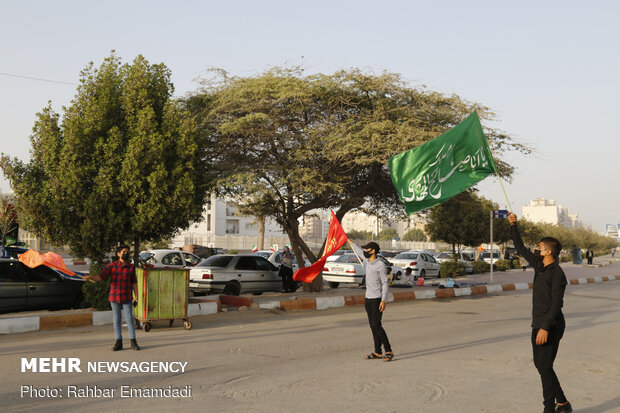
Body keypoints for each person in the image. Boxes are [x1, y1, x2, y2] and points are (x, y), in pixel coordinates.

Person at [508, 213, 572, 413]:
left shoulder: (557, 274)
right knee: (542, 365)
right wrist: (513, 225)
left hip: (551, 325)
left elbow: (556, 304)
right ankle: (562, 402)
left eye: (539, 247)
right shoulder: (539, 266)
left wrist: (545, 328)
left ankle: (549, 409)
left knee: (544, 366)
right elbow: (519, 248)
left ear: (548, 251)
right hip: (538, 324)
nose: (536, 248)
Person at [83, 245, 140, 351]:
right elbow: (100, 277)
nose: (125, 253)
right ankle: (118, 342)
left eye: (127, 252)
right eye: (123, 252)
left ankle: (133, 342)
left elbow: (134, 282)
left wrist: (136, 296)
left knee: (129, 319)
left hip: (127, 297)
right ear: (118, 254)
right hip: (114, 297)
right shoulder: (111, 266)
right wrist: (90, 277)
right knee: (117, 320)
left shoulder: (131, 267)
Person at [349, 240, 394, 362]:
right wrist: (348, 240)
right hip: (368, 298)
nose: (365, 251)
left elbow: (385, 283)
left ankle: (388, 350)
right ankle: (378, 352)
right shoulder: (367, 261)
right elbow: (358, 251)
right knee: (373, 326)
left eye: (367, 249)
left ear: (373, 251)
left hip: (377, 299)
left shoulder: (380, 265)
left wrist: (383, 300)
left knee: (377, 325)